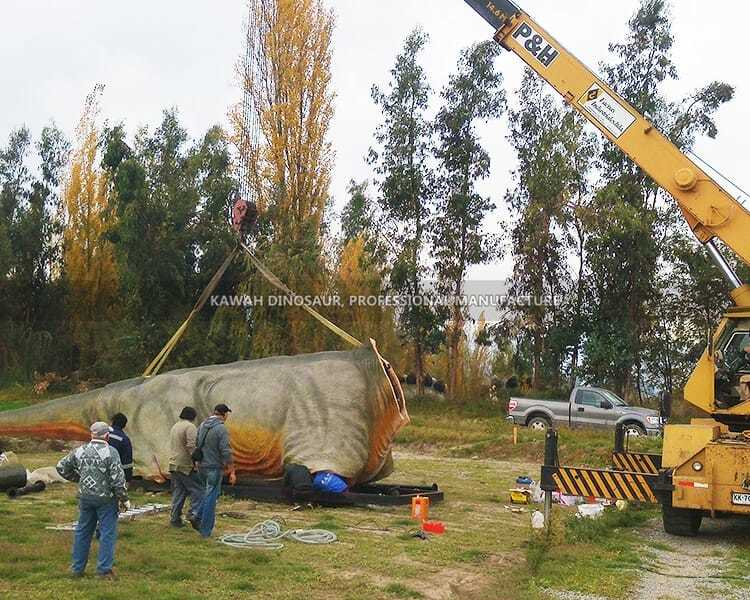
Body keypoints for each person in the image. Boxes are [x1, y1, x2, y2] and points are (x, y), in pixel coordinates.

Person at [56, 421, 130, 578]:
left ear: (91, 434)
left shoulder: (80, 450)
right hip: (106, 499)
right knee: (107, 533)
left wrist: (79, 478)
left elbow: (61, 467)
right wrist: (123, 498)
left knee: (82, 531)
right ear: (107, 436)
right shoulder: (111, 452)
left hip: (85, 497)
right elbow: (117, 479)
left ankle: (77, 569)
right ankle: (103, 570)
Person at [194, 403, 236, 538]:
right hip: (214, 467)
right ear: (224, 415)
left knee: (207, 494)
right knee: (211, 499)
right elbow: (225, 450)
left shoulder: (202, 425)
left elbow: (196, 443)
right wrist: (231, 468)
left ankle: (197, 515)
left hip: (201, 466)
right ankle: (205, 530)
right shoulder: (221, 429)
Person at [168, 406, 204, 528]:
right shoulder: (190, 427)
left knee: (179, 492)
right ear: (193, 416)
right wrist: (196, 461)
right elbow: (191, 446)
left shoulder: (175, 426)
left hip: (173, 463)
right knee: (198, 490)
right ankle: (194, 514)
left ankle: (175, 518)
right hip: (185, 465)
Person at [108, 413, 133, 482]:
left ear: (112, 422)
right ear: (124, 425)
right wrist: (128, 478)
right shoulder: (124, 439)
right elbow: (127, 462)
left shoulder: (101, 433)